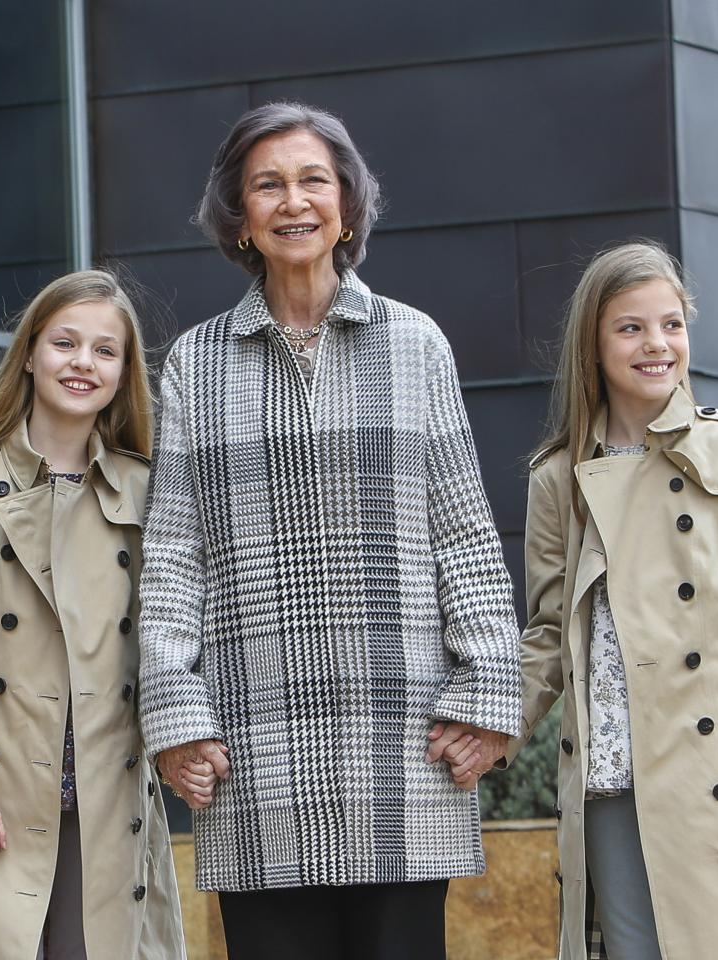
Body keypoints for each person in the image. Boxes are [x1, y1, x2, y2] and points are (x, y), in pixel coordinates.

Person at [135, 100, 521, 960]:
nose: (293, 201)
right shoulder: (196, 362)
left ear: (347, 204)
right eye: (266, 184)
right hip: (253, 746)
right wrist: (174, 712)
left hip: (405, 742)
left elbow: (464, 532)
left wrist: (489, 694)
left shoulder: (416, 344)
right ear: (239, 218)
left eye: (314, 179)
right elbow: (171, 556)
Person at [496, 241, 718, 959]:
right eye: (632, 328)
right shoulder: (560, 477)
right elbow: (551, 636)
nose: (657, 344)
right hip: (613, 775)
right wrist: (486, 728)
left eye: (672, 324)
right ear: (593, 342)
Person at [0, 271, 186, 959]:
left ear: (122, 373)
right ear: (29, 353)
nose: (83, 362)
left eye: (104, 351)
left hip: (107, 803)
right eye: (65, 343)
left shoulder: (145, 490)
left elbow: (172, 642)